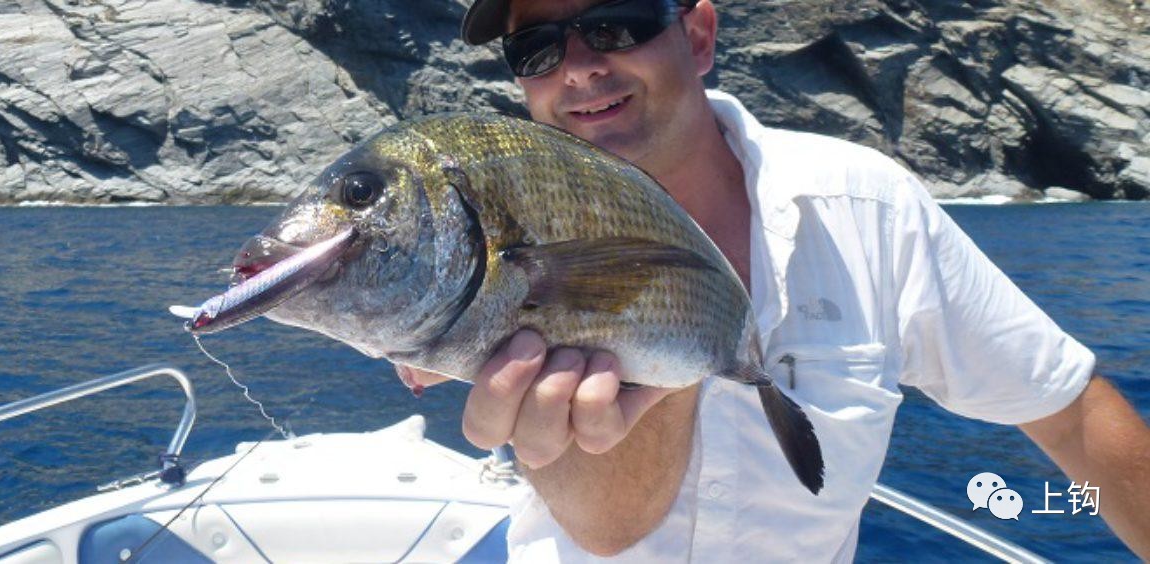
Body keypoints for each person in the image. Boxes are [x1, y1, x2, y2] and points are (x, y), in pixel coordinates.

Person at [394, 0, 1150, 560]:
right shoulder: (500, 241)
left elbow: (1066, 408)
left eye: (617, 24)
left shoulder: (866, 206)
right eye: (535, 49)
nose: (581, 66)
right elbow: (610, 531)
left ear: (698, 36)